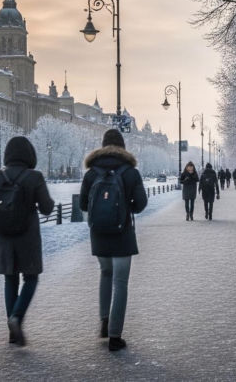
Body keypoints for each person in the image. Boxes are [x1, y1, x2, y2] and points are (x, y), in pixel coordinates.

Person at [0, 136, 54, 346]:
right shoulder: (35, 177)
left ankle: (12, 331)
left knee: (10, 279)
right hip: (27, 237)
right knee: (31, 278)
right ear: (30, 156)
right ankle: (17, 317)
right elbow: (46, 208)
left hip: (2, 237)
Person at [80, 128, 148, 352]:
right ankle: (115, 337)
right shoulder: (130, 172)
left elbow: (82, 205)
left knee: (105, 273)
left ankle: (104, 322)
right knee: (120, 282)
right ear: (122, 147)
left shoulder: (91, 173)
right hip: (122, 234)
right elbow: (140, 204)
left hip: (99, 233)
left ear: (102, 145)